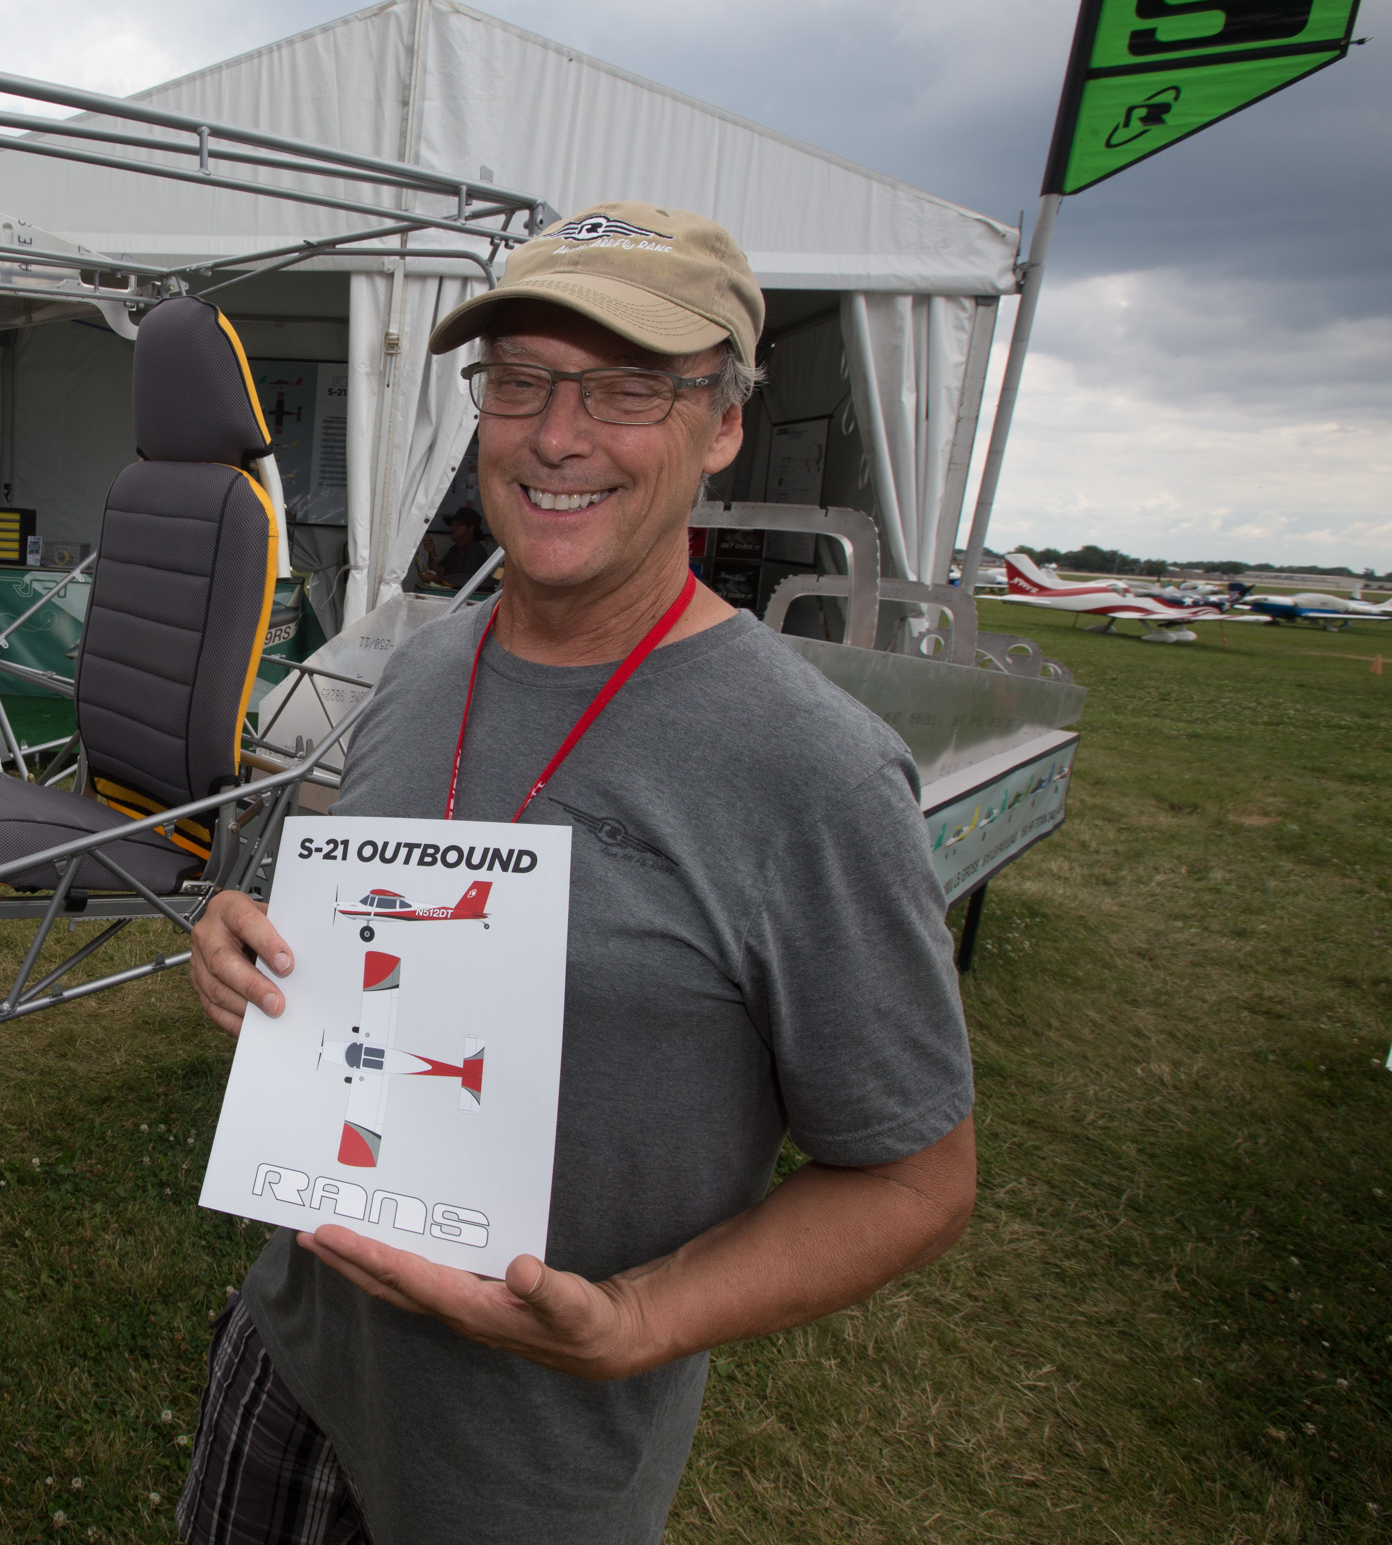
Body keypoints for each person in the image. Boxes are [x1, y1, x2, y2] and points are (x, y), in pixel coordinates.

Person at [180, 202, 976, 1545]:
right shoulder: (425, 663)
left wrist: (637, 1324)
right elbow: (335, 939)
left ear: (722, 425)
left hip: (519, 1471)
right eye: (523, 381)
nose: (558, 433)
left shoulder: (816, 772)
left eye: (627, 389)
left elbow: (916, 1179)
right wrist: (242, 953)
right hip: (293, 1352)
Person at [419, 505, 490, 589]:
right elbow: (438, 572)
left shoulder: (476, 550)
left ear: (471, 528)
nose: (452, 528)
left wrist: (436, 579)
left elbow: (465, 581)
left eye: (457, 525)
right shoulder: (454, 550)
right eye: (452, 524)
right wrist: (432, 552)